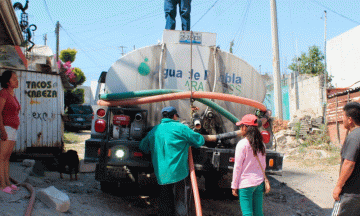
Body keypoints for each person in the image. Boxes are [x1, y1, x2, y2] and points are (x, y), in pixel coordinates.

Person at [139, 106, 204, 216]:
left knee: (165, 198)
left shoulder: (155, 130)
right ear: (174, 116)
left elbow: (143, 147)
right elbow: (199, 141)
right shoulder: (181, 128)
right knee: (181, 198)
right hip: (178, 172)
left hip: (161, 173)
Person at [231, 114, 266, 216]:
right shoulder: (261, 144)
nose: (240, 129)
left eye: (241, 126)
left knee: (247, 213)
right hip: (259, 183)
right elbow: (263, 165)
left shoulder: (242, 144)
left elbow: (237, 167)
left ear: (245, 127)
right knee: (259, 212)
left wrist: (234, 186)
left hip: (246, 184)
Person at [331, 102, 360, 216]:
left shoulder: (353, 137)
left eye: (343, 116)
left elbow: (349, 163)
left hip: (350, 193)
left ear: (350, 120)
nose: (342, 119)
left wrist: (338, 186)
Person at [0, 70, 21, 194]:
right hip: (6, 128)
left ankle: (8, 182)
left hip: (13, 129)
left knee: (7, 158)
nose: (16, 80)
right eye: (14, 79)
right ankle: (2, 185)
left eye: (16, 78)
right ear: (7, 82)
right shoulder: (3, 94)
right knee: (1, 158)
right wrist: (2, 131)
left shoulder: (12, 94)